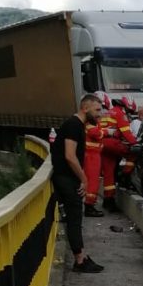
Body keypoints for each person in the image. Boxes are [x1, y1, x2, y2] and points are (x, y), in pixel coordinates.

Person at [50, 93, 105, 272]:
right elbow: (70, 156)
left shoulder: (76, 125)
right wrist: (83, 178)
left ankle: (81, 257)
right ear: (85, 108)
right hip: (67, 179)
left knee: (75, 217)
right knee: (74, 218)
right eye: (97, 110)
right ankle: (80, 261)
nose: (100, 114)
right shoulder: (74, 125)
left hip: (65, 177)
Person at [100, 96, 139, 210]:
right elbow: (126, 132)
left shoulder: (107, 113)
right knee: (133, 152)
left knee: (108, 172)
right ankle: (125, 176)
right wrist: (135, 143)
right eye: (129, 111)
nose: (128, 113)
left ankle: (108, 200)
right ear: (125, 107)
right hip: (112, 143)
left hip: (102, 144)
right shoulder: (120, 114)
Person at [83, 92, 108, 217]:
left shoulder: (91, 123)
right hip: (91, 156)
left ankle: (89, 204)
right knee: (92, 182)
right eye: (97, 110)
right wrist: (105, 131)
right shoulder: (89, 125)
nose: (100, 113)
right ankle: (89, 206)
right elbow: (97, 134)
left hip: (93, 155)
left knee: (93, 181)